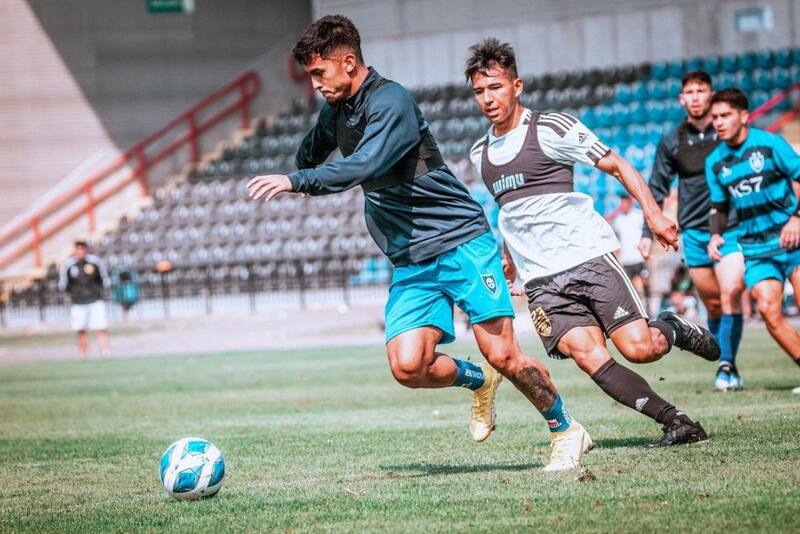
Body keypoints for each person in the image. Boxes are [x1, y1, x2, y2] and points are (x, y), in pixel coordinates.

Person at [247, 15, 591, 471]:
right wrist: (307, 158)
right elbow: (312, 150)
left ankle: (566, 429)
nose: (316, 85)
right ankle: (477, 382)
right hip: (410, 255)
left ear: (348, 62)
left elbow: (365, 165)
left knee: (503, 352)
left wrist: (299, 179)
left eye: (319, 74)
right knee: (408, 366)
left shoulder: (393, 101)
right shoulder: (337, 110)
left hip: (460, 240)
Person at [466, 38, 719, 447]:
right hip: (542, 281)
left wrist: (654, 215)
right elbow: (510, 211)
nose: (487, 99)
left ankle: (671, 328)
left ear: (517, 86)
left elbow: (617, 165)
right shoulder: (481, 153)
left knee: (640, 349)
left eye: (495, 87)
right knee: (589, 357)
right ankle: (677, 422)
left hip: (588, 259)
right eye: (479, 91)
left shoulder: (551, 128)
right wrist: (509, 258)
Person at [639, 71, 746, 392]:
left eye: (702, 90)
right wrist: (648, 230)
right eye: (690, 91)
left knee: (731, 294)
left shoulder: (727, 130)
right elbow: (656, 187)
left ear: (712, 95)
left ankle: (726, 366)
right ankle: (726, 360)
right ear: (682, 99)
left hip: (733, 227)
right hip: (695, 232)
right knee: (713, 303)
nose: (696, 96)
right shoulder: (672, 140)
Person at [705, 88, 800, 395]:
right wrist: (716, 233)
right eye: (715, 117)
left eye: (725, 115)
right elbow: (719, 206)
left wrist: (796, 217)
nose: (718, 122)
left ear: (743, 116)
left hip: (793, 239)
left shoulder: (770, 144)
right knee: (770, 312)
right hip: (756, 249)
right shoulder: (716, 162)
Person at [58, 240, 111, 358]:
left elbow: (104, 279)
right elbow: (63, 284)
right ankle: (84, 355)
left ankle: (105, 352)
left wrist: (98, 291)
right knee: (80, 329)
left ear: (86, 249)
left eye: (82, 248)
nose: (80, 251)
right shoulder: (68, 265)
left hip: (95, 300)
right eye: (78, 248)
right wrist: (74, 294)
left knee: (101, 327)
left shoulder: (95, 262)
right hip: (78, 302)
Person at [608, 194, 649, 299]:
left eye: (624, 202)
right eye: (621, 203)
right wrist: (618, 256)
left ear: (630, 203)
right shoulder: (618, 220)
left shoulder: (639, 215)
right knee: (631, 288)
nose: (623, 205)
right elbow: (617, 239)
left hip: (639, 257)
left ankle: (648, 306)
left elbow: (647, 234)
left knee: (645, 283)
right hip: (626, 259)